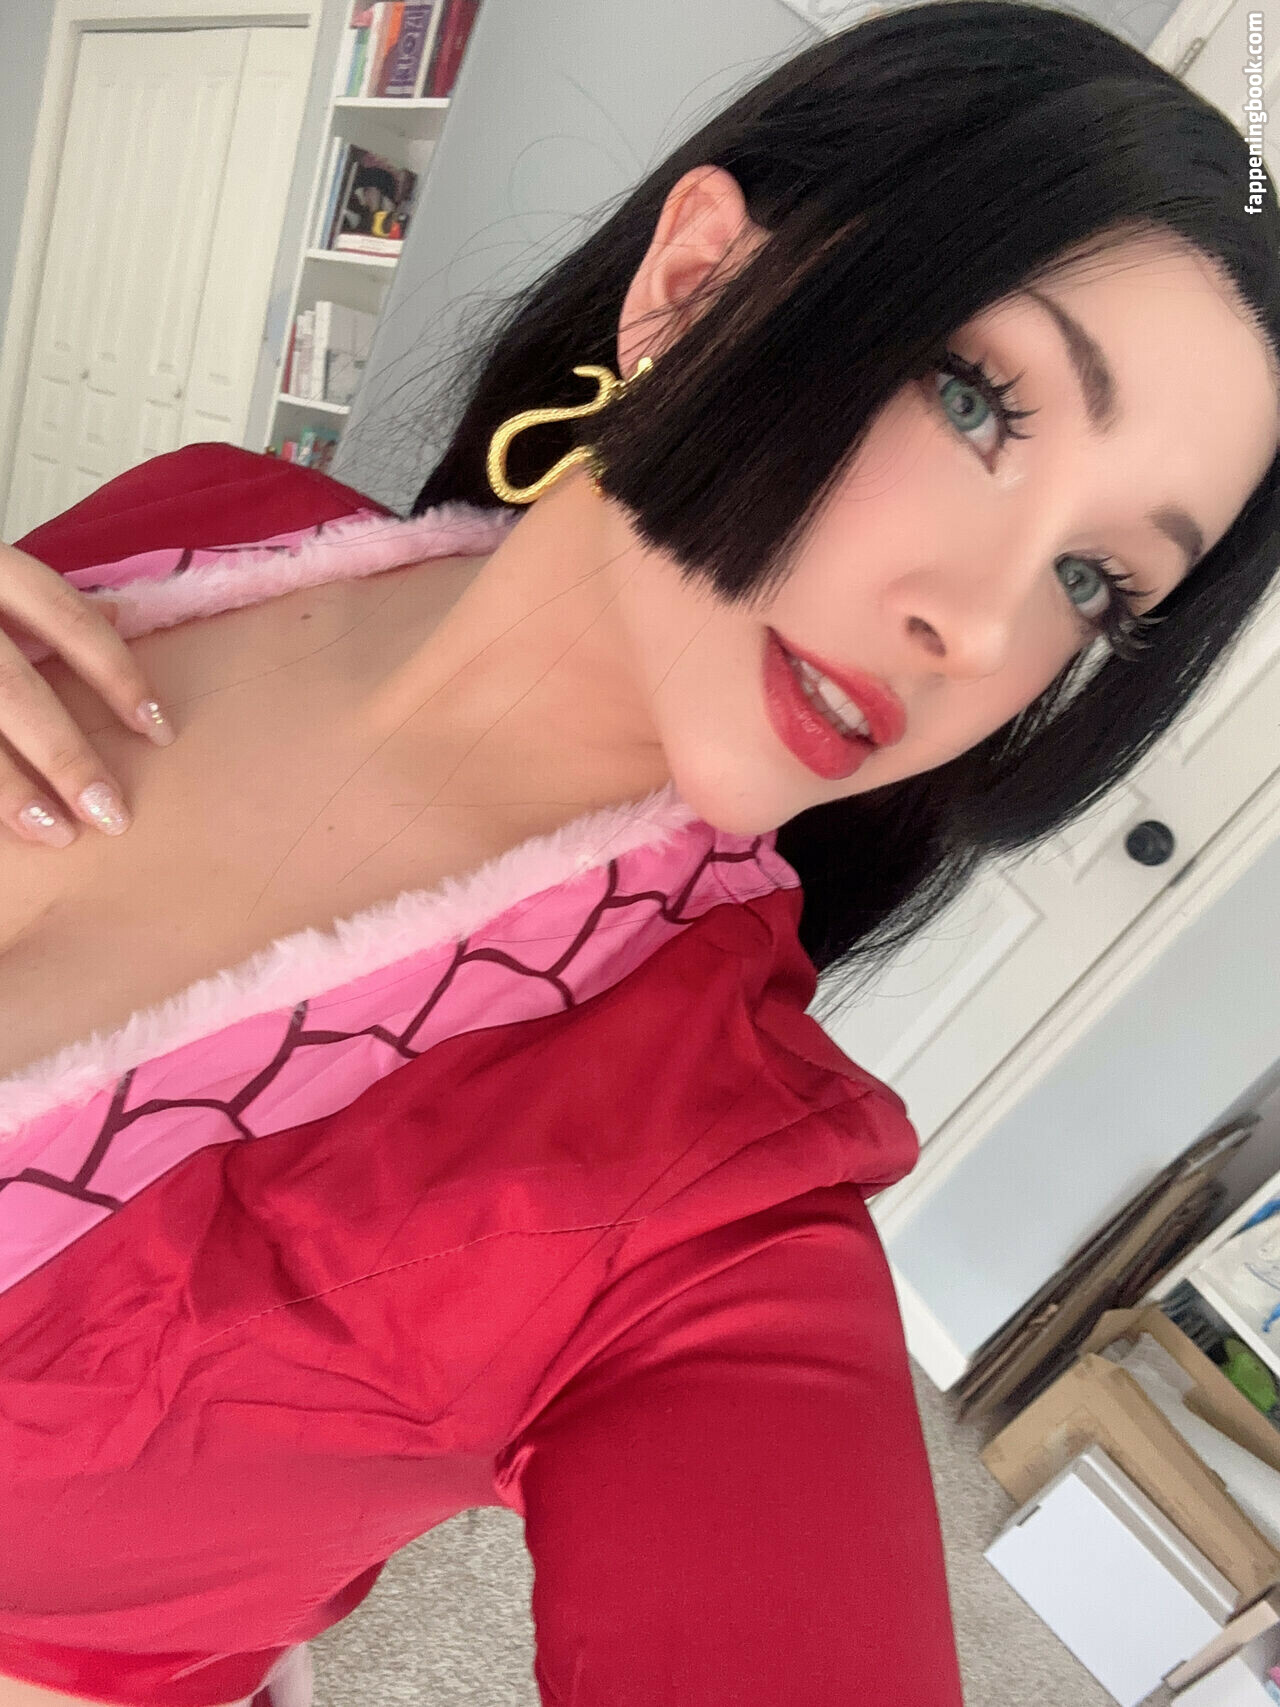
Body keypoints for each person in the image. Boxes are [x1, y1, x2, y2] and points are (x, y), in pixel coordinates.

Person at [0, 4, 1278, 1704]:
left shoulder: (722, 1205)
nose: (977, 632)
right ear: (693, 281)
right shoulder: (203, 516)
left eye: (1094, 585)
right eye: (975, 400)